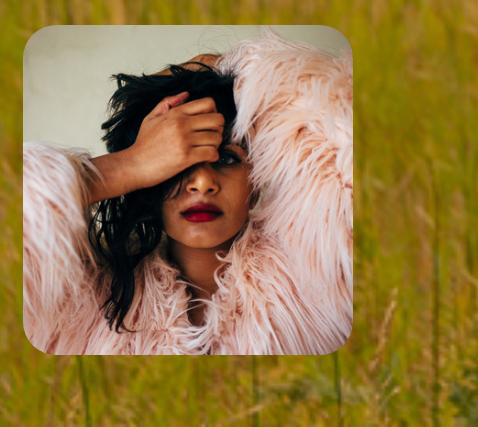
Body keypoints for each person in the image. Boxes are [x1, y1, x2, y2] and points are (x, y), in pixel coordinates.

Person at [24, 30, 353, 354]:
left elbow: (345, 126)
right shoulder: (80, 303)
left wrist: (218, 69)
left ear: (255, 184)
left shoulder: (319, 278)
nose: (202, 182)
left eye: (227, 158)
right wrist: (129, 164)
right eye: (177, 163)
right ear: (147, 180)